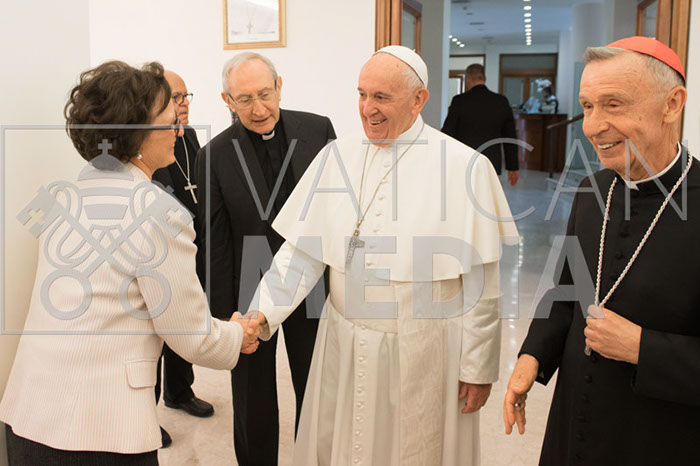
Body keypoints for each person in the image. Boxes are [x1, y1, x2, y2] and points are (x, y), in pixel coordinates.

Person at [247, 46, 518, 465]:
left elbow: (482, 286)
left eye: (381, 97)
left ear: (418, 99)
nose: (367, 108)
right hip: (343, 341)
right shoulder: (337, 156)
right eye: (361, 94)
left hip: (422, 348)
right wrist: (261, 314)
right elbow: (301, 254)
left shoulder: (464, 167)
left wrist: (478, 367)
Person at [0, 61, 260, 465]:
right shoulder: (157, 213)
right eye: (169, 121)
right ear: (136, 133)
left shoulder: (60, 197)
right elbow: (190, 335)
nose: (179, 130)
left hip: (28, 415)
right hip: (100, 431)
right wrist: (236, 335)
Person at [504, 37, 699, 465]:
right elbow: (567, 290)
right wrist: (532, 356)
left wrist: (643, 347)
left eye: (614, 105)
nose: (592, 126)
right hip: (573, 421)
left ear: (672, 104)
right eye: (588, 106)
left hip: (659, 437)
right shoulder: (592, 191)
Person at [196, 52, 336, 465]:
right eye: (244, 99)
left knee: (316, 384)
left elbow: (336, 210)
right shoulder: (213, 155)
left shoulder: (318, 130)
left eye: (265, 94)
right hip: (248, 284)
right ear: (227, 100)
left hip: (311, 279)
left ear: (280, 86)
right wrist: (225, 318)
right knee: (252, 395)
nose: (259, 109)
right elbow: (214, 242)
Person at [151, 71, 213, 448]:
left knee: (184, 319)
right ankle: (146, 413)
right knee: (154, 333)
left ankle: (179, 391)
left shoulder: (188, 136)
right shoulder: (146, 141)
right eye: (176, 97)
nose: (184, 103)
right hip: (162, 248)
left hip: (194, 242)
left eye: (186, 95)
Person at [442, 64, 519, 186]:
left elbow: (448, 133)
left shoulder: (459, 101)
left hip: (464, 161)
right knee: (486, 195)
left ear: (467, 78)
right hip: (491, 162)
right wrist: (513, 166)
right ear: (484, 78)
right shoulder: (501, 101)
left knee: (464, 194)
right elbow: (510, 137)